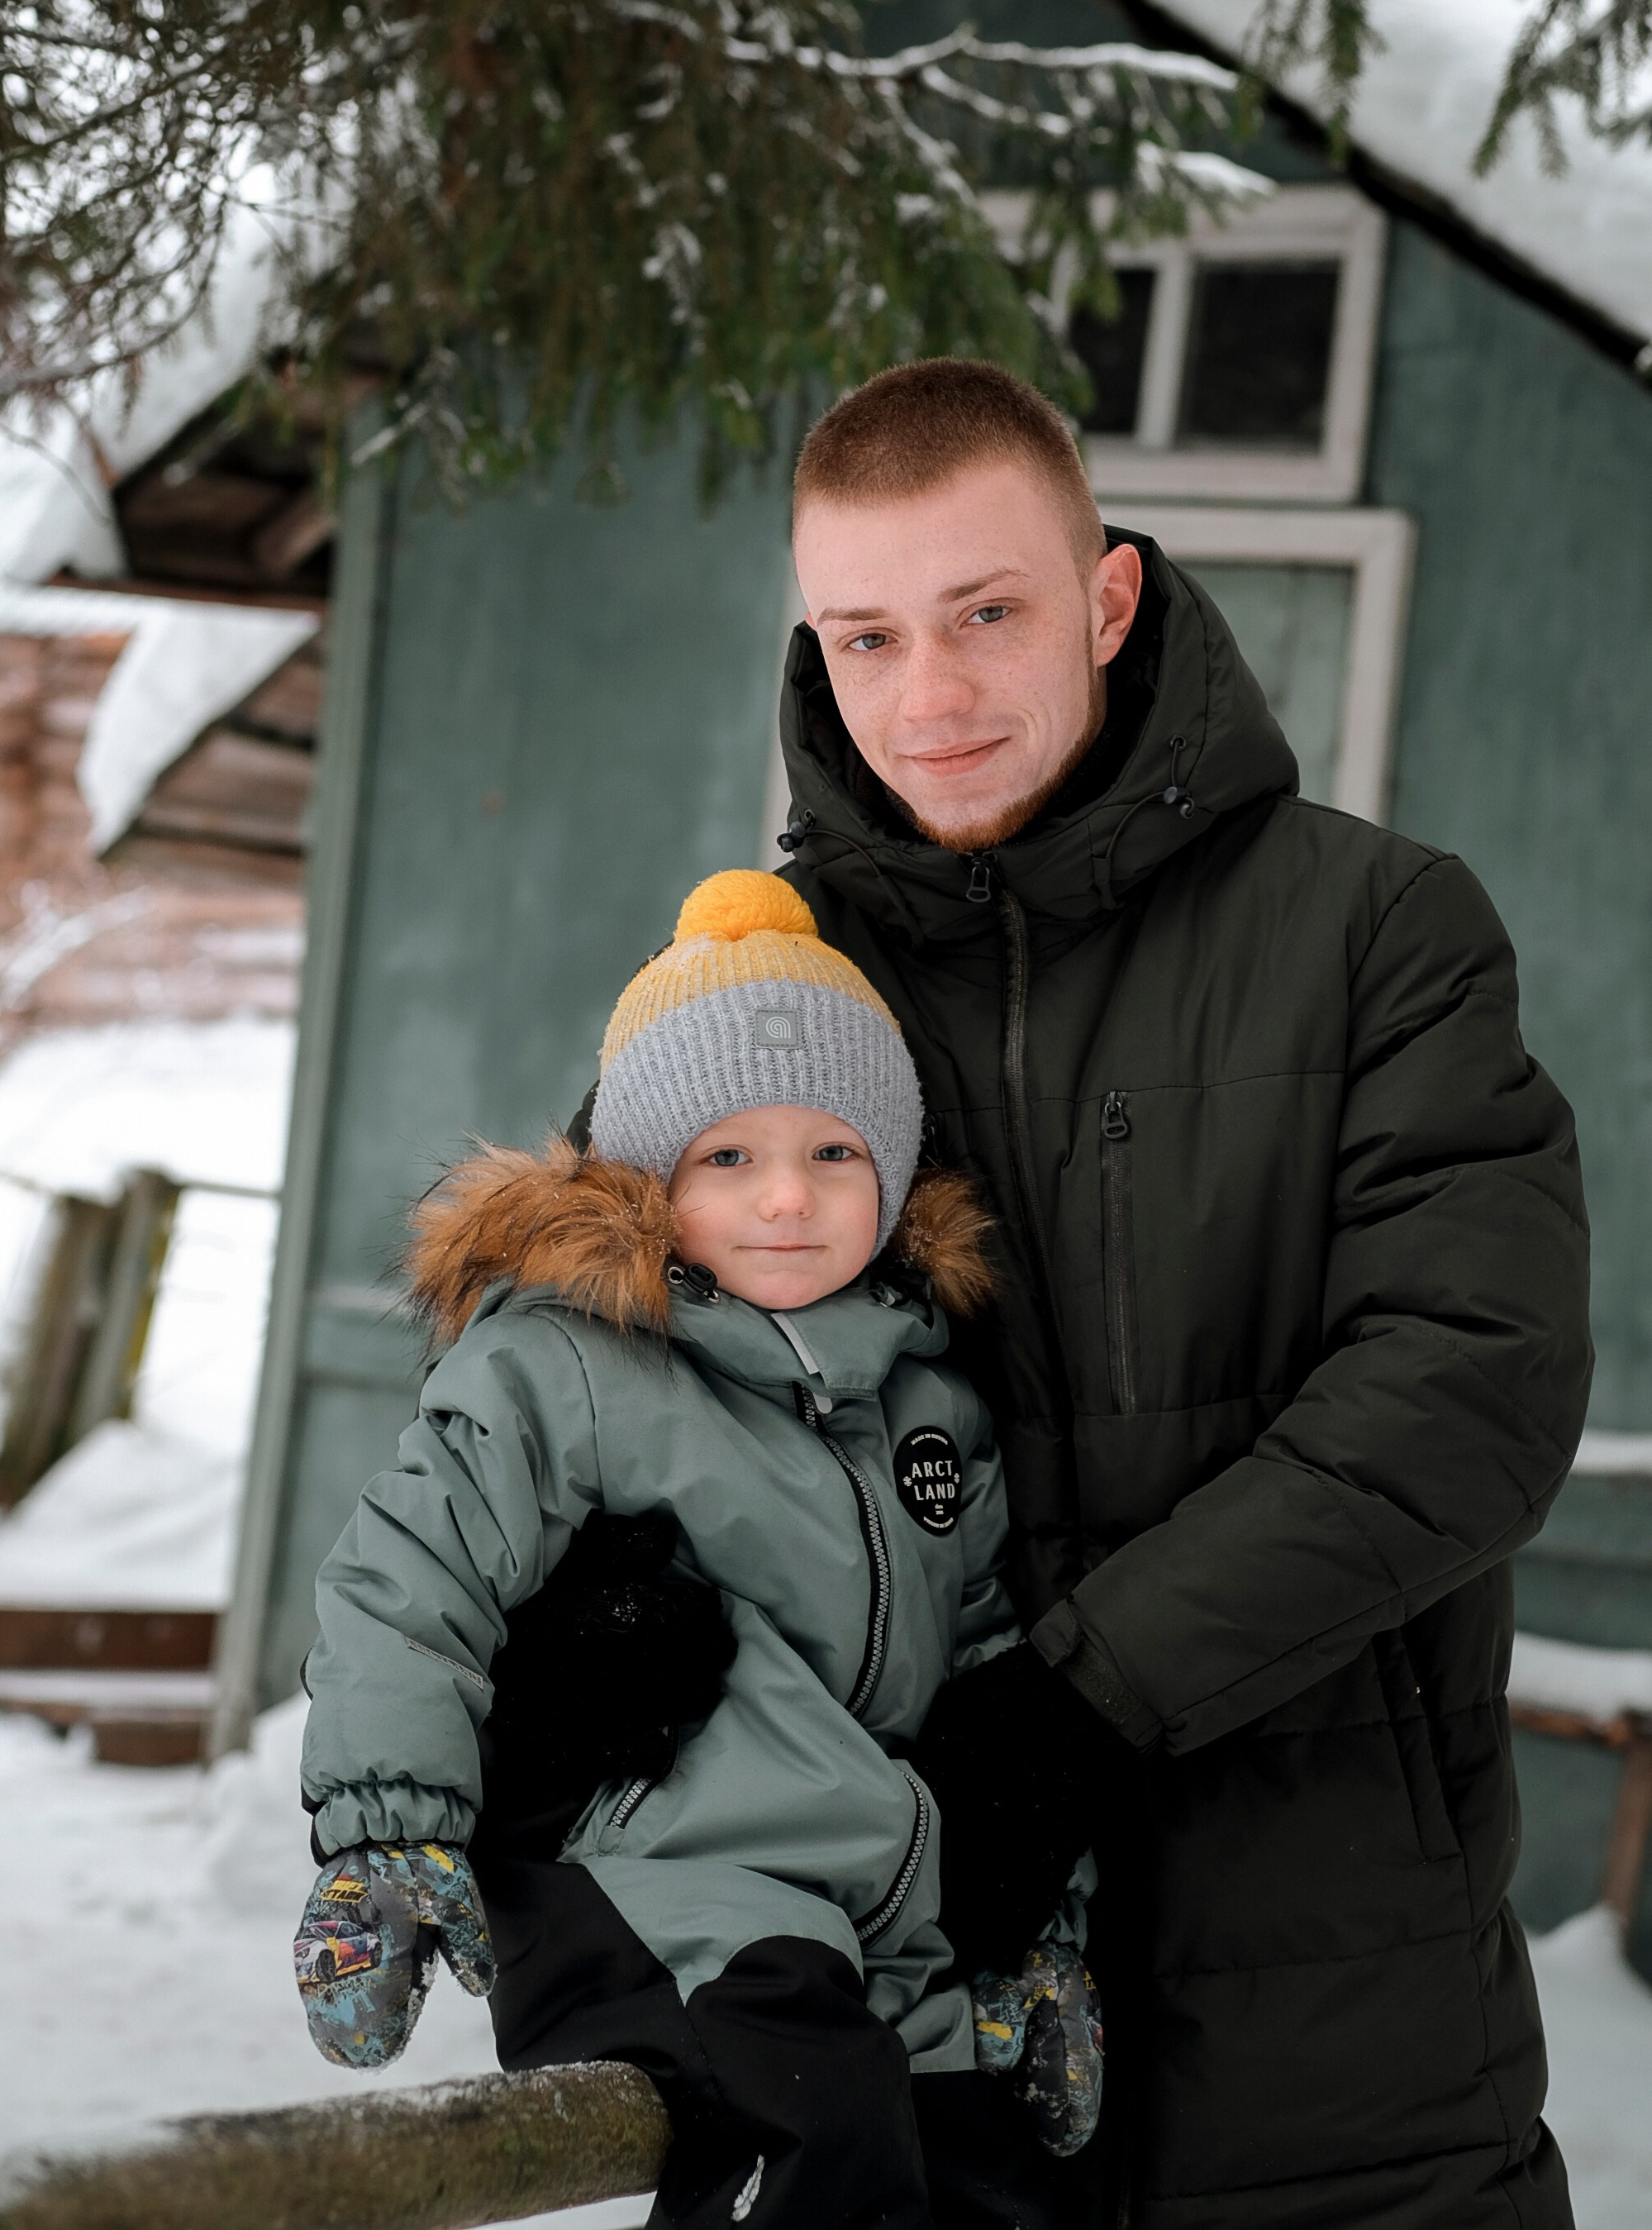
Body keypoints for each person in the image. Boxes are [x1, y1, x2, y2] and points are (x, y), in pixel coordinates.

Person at [509, 359, 1592, 2230]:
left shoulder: (1372, 936)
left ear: (1106, 598)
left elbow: (1462, 1389)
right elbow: (580, 1383)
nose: (921, 699)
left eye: (984, 615)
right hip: (910, 2042)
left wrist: (1077, 1708)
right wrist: (600, 1596)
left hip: (1339, 2055)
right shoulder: (757, 1013)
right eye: (862, 636)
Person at [294, 868, 1106, 2230]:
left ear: (894, 1168)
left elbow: (989, 1670)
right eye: (727, 1157)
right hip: (654, 1885)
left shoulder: (928, 1400)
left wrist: (1036, 1937)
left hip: (876, 1905)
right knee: (820, 2138)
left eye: (835, 1152)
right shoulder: (562, 1368)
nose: (787, 1198)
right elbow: (408, 1580)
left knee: (980, 2172)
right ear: (647, 1175)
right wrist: (388, 1836)